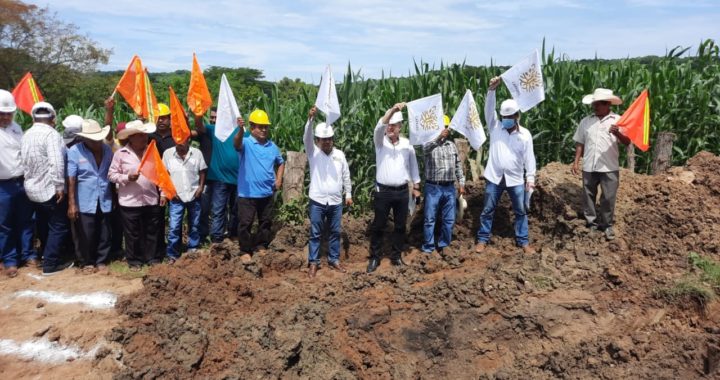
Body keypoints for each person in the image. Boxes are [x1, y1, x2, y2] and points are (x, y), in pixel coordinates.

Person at [475, 77, 537, 255]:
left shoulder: (525, 135)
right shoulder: (495, 127)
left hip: (516, 179)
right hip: (494, 177)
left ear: (517, 116)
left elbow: (529, 159)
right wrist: (491, 91)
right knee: (487, 210)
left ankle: (523, 241)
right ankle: (482, 239)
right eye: (504, 117)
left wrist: (530, 179)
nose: (506, 119)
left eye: (510, 117)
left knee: (520, 211)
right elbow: (488, 110)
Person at [21, 102, 74, 275]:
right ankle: (51, 264)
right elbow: (56, 161)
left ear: (34, 117)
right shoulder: (52, 135)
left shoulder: (26, 134)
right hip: (49, 188)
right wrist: (59, 186)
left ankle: (45, 255)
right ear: (52, 118)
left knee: (43, 224)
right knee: (58, 226)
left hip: (31, 189)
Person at [367, 102, 421, 273]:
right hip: (383, 192)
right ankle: (375, 257)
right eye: (389, 125)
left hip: (402, 192)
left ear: (399, 127)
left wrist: (417, 186)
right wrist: (392, 111)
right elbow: (378, 127)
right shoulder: (380, 142)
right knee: (379, 225)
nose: (390, 127)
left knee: (400, 226)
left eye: (394, 125)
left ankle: (396, 256)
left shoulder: (407, 144)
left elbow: (413, 166)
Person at [572, 88, 631, 241]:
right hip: (589, 165)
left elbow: (627, 142)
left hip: (609, 166)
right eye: (594, 104)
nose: (595, 107)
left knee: (608, 197)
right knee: (588, 195)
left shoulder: (618, 121)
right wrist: (576, 161)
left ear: (607, 105)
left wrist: (617, 133)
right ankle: (591, 222)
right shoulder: (586, 121)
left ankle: (606, 225)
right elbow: (580, 142)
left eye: (598, 104)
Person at [303, 106, 353, 278]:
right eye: (323, 139)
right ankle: (313, 262)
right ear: (317, 140)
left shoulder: (339, 155)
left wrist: (348, 194)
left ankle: (334, 260)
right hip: (317, 200)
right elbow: (306, 138)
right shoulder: (313, 153)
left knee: (334, 232)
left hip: (336, 201)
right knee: (315, 233)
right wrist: (310, 120)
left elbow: (346, 174)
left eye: (329, 139)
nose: (327, 142)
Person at [108, 120, 163, 270]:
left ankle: (152, 258)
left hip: (151, 198)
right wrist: (126, 178)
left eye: (144, 134)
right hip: (130, 200)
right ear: (131, 137)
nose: (143, 138)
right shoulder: (120, 154)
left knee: (152, 230)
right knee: (132, 233)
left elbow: (161, 174)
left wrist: (163, 193)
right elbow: (111, 175)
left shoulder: (152, 152)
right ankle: (134, 261)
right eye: (139, 135)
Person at [233, 109, 284, 263]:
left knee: (265, 221)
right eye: (259, 126)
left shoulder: (272, 146)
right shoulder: (246, 143)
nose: (263, 130)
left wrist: (279, 179)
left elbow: (281, 163)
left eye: (265, 127)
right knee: (245, 223)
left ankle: (261, 245)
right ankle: (245, 250)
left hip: (267, 192)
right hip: (247, 193)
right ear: (252, 127)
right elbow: (236, 143)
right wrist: (240, 130)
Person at [66, 119, 113, 273]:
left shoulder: (107, 150)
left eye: (98, 138)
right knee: (86, 233)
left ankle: (101, 260)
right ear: (85, 138)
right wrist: (72, 204)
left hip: (104, 197)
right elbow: (71, 178)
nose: (96, 142)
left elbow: (110, 174)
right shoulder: (75, 151)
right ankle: (87, 261)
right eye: (93, 139)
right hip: (85, 198)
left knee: (104, 231)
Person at [194, 108, 244, 245]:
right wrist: (198, 113)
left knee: (236, 209)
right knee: (218, 209)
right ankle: (217, 238)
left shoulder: (242, 131)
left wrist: (241, 128)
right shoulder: (214, 129)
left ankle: (233, 235)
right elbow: (199, 126)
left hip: (239, 178)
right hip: (220, 178)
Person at [0, 90, 36, 278]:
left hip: (21, 182)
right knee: (5, 225)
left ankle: (28, 254)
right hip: (2, 185)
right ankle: (10, 260)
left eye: (9, 113)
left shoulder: (16, 128)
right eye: (2, 113)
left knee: (26, 221)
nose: (6, 116)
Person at [421, 114, 465, 255]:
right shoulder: (429, 144)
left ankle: (444, 245)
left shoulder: (451, 146)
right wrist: (437, 137)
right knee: (429, 219)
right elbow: (424, 150)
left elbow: (458, 166)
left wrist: (461, 183)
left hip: (449, 187)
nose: (444, 130)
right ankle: (428, 248)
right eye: (442, 127)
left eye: (446, 127)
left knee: (449, 219)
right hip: (433, 187)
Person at [162, 138, 207, 263]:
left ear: (189, 140)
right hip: (176, 196)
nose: (180, 143)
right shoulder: (168, 154)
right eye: (177, 140)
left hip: (194, 194)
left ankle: (193, 249)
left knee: (195, 224)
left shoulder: (196, 153)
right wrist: (169, 191)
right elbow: (164, 174)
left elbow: (202, 171)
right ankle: (172, 254)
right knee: (174, 226)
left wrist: (201, 187)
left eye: (183, 140)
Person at [61, 114, 85, 264]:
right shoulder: (72, 149)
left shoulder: (74, 149)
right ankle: (74, 252)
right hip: (68, 190)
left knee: (76, 225)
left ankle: (77, 253)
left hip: (74, 191)